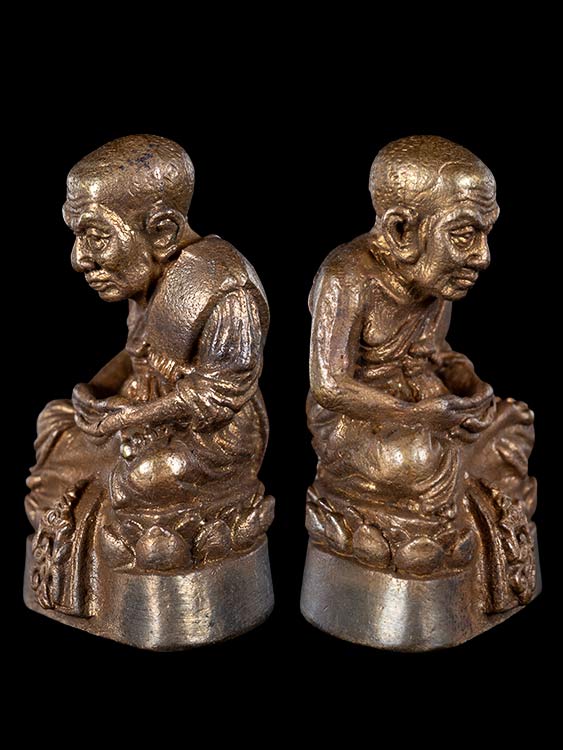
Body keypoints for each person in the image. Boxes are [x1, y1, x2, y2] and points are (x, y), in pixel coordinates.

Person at [26, 135, 273, 614]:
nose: (79, 258)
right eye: (77, 237)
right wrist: (98, 392)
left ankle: (139, 528)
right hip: (144, 412)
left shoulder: (223, 288)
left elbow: (217, 397)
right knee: (53, 422)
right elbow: (134, 353)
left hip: (211, 440)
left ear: (161, 231)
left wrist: (125, 420)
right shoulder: (147, 280)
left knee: (140, 479)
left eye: (96, 237)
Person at [306, 135, 536, 609]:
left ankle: (457, 509)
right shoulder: (347, 278)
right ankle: (431, 526)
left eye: (486, 234)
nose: (483, 256)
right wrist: (417, 415)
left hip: (427, 405)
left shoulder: (435, 282)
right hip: (361, 422)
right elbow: (329, 385)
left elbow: (434, 353)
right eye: (464, 235)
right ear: (401, 231)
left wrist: (466, 383)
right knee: (417, 462)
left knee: (515, 423)